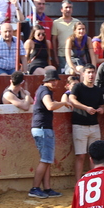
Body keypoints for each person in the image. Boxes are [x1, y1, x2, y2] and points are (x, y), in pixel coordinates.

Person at [67, 63, 104, 181]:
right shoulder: (78, 87)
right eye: (88, 72)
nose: (91, 75)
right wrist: (86, 108)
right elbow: (72, 99)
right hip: (80, 125)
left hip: (94, 126)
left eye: (93, 72)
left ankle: (93, 182)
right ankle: (79, 183)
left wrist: (101, 110)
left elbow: (102, 106)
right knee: (80, 156)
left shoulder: (98, 90)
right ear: (83, 74)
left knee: (95, 156)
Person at [30, 67, 63, 199]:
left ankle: (47, 188)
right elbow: (50, 106)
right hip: (43, 128)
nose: (54, 82)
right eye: (52, 80)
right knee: (45, 160)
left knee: (47, 159)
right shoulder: (45, 91)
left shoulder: (43, 90)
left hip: (42, 128)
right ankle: (35, 188)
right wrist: (63, 102)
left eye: (55, 80)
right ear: (46, 81)